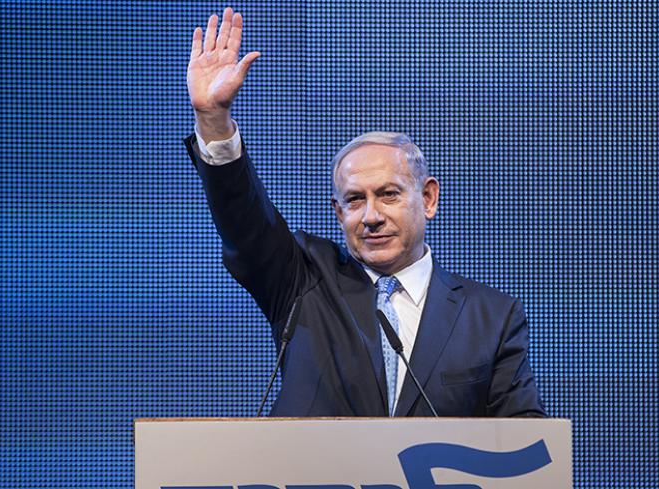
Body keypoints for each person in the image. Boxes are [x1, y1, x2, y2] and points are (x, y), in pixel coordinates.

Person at [185, 7, 545, 417]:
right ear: (338, 213)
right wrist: (213, 119)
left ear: (428, 199)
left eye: (388, 194)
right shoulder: (303, 281)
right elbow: (243, 221)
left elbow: (523, 440)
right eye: (355, 200)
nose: (370, 215)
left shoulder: (492, 317)